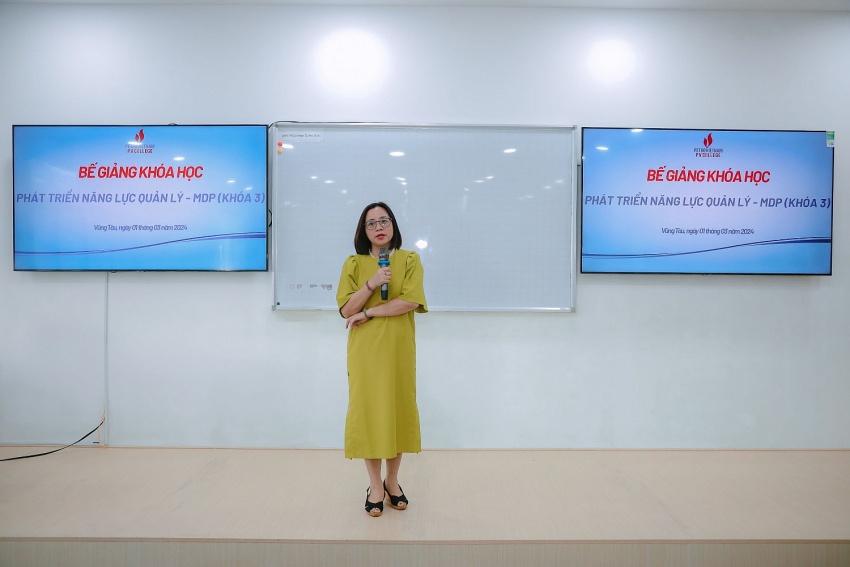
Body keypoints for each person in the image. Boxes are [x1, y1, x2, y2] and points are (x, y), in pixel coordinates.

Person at [336, 202, 428, 518]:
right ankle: (375, 485)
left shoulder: (410, 260)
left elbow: (410, 301)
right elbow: (346, 310)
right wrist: (372, 284)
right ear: (363, 231)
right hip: (365, 352)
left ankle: (393, 481)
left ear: (393, 225)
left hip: (399, 350)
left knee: (396, 411)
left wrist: (369, 312)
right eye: (371, 223)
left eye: (384, 221)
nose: (379, 227)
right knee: (370, 413)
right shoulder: (353, 263)